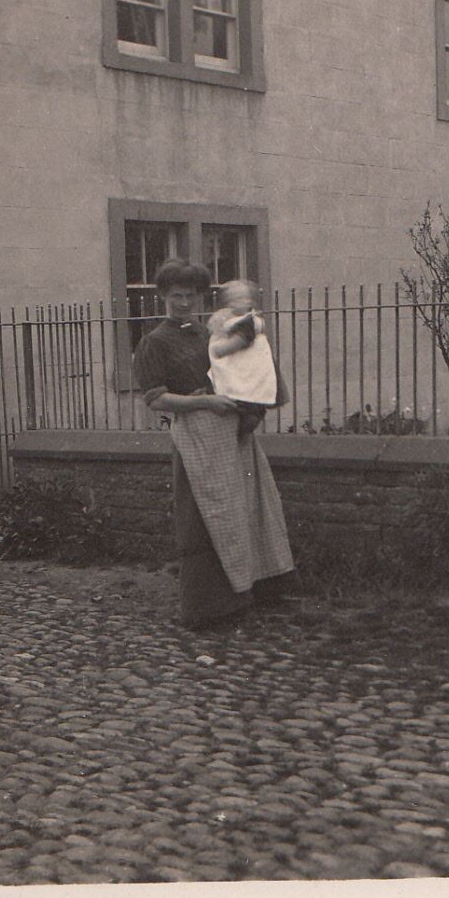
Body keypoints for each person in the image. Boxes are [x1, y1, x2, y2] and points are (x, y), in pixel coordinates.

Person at [132, 259, 294, 629]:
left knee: (246, 510)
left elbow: (242, 367)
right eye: (176, 296)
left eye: (191, 295)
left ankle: (249, 593)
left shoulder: (210, 335)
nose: (184, 303)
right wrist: (206, 402)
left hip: (233, 432)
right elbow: (157, 399)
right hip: (197, 437)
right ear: (163, 296)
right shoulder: (155, 342)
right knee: (205, 517)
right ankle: (209, 608)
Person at [207, 278, 282, 439]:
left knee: (251, 400)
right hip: (240, 368)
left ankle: (247, 425)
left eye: (244, 298)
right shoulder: (230, 318)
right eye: (233, 299)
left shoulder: (248, 320)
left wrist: (220, 349)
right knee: (240, 396)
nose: (240, 302)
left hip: (250, 368)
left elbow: (242, 340)